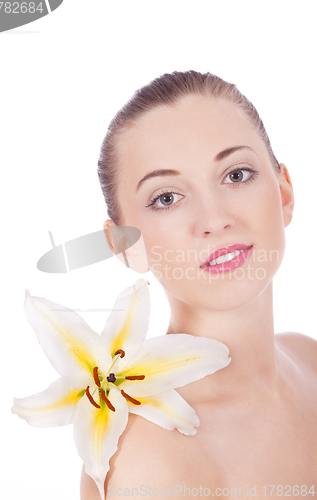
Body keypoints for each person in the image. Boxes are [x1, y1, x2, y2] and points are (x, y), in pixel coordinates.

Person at [81, 71, 317, 499]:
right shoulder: (149, 451)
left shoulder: (311, 357)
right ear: (125, 245)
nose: (215, 220)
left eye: (237, 174)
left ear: (284, 192)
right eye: (166, 198)